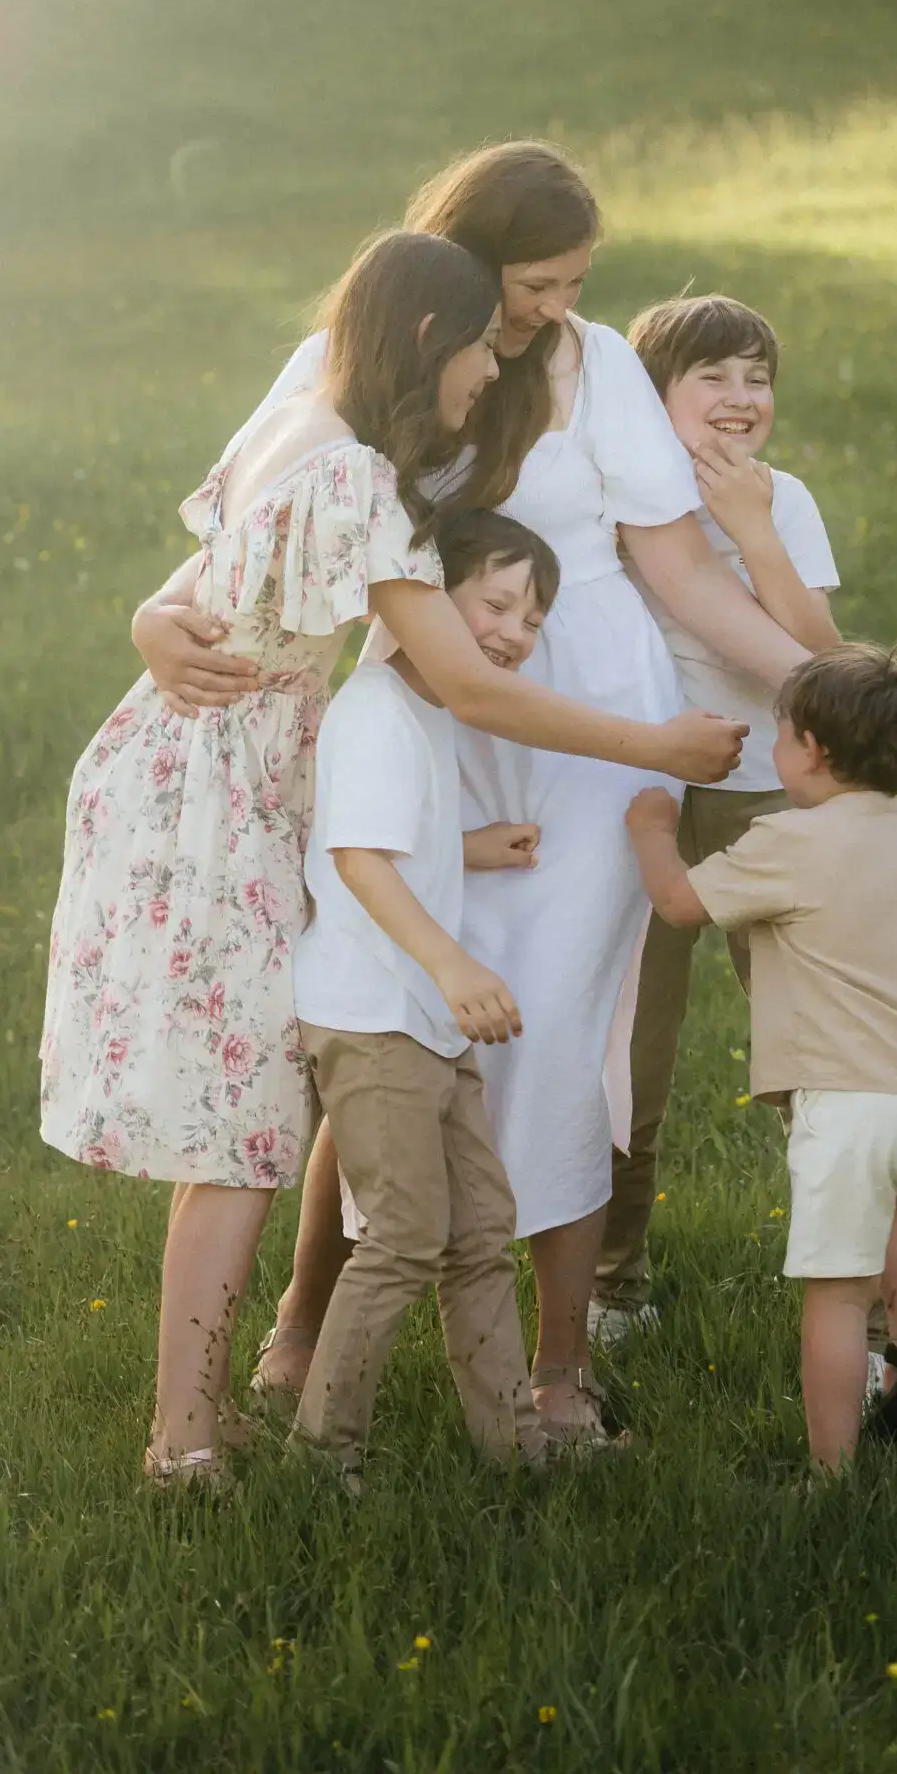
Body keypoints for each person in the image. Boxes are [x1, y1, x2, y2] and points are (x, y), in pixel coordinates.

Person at [43, 229, 743, 1486]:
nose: (494, 372)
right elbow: (471, 681)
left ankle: (203, 1423)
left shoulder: (300, 424)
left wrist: (153, 615)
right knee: (240, 1130)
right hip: (224, 789)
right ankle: (186, 1443)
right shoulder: (360, 477)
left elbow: (202, 572)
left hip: (193, 764)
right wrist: (659, 742)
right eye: (484, 342)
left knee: (240, 1125)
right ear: (431, 338)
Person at [626, 638, 897, 1473]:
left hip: (851, 1100)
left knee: (833, 1293)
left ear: (812, 752)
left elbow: (678, 903)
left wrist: (651, 827)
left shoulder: (788, 840)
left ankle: (831, 1479)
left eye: (778, 734)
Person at [292, 510, 565, 1484]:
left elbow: (392, 849)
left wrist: (470, 852)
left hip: (420, 1015)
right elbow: (356, 859)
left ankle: (516, 1448)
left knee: (482, 1228)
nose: (513, 631)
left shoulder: (428, 713)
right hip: (374, 1017)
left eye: (532, 618)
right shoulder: (374, 712)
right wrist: (453, 964)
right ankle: (322, 1458)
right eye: (496, 601)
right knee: (406, 1233)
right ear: (422, 596)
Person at [593, 293, 841, 1342]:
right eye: (714, 378)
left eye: (758, 377)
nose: (742, 399)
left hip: (762, 792)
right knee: (631, 1045)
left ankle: (854, 1277)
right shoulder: (617, 500)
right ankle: (613, 1281)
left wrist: (754, 532)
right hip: (646, 791)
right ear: (653, 400)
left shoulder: (785, 501)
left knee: (811, 1034)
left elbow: (819, 643)